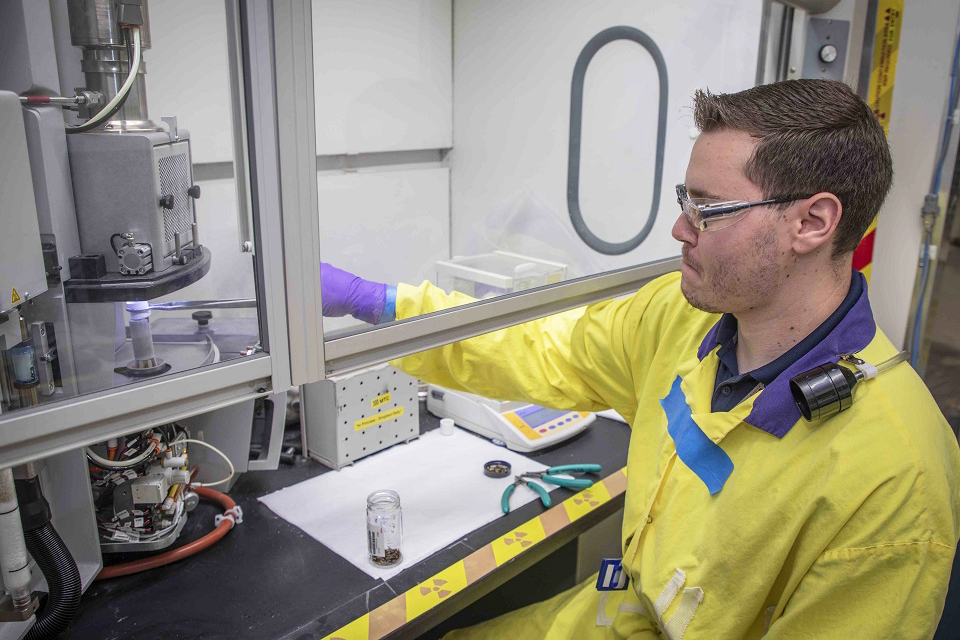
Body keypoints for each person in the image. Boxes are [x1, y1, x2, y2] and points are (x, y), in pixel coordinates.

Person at [320, 79, 960, 638]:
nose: (681, 230)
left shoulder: (897, 478)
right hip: (616, 616)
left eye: (707, 209)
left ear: (813, 222)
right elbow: (544, 348)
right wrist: (383, 307)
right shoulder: (683, 318)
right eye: (686, 201)